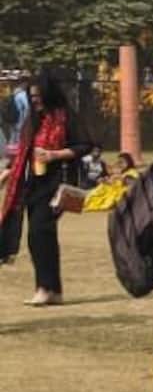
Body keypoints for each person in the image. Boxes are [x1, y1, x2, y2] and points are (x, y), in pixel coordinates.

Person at [10, 70, 81, 306]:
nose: (36, 101)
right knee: (40, 237)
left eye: (39, 96)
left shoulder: (65, 117)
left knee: (39, 233)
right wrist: (8, 173)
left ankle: (45, 288)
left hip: (57, 182)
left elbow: (84, 145)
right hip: (34, 183)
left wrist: (53, 155)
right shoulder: (33, 119)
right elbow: (23, 151)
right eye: (32, 97)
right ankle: (52, 290)